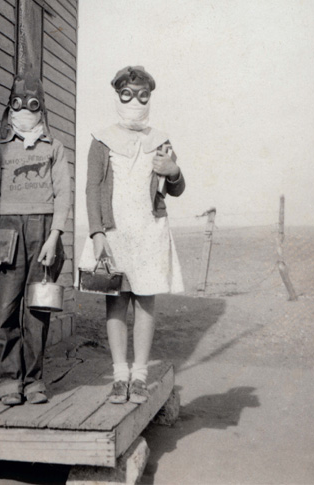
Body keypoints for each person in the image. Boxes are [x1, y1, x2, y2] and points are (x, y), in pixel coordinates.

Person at [81, 66, 185, 404]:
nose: (135, 101)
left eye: (143, 95)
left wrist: (174, 172)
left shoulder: (160, 139)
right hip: (114, 233)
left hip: (148, 232)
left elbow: (176, 188)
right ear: (118, 95)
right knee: (116, 302)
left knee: (146, 301)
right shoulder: (102, 138)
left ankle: (139, 375)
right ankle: (119, 374)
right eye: (128, 94)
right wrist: (97, 232)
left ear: (150, 97)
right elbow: (92, 188)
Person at [0, 72, 72, 406]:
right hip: (6, 230)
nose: (24, 111)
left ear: (41, 108)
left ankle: (33, 380)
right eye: (17, 104)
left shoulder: (54, 147)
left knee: (37, 307)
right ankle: (7, 380)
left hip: (43, 232)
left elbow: (63, 194)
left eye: (32, 104)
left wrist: (55, 236)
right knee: (4, 308)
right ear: (9, 107)